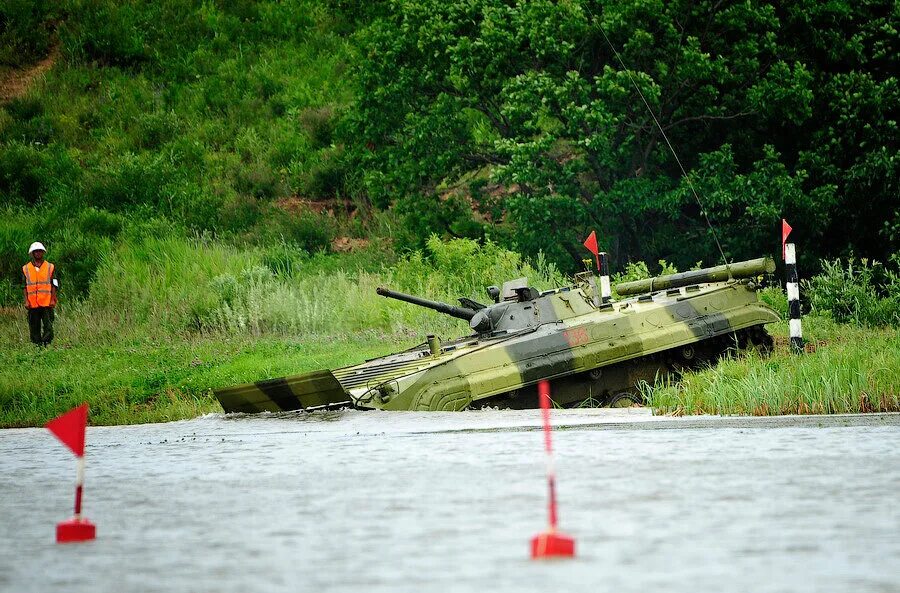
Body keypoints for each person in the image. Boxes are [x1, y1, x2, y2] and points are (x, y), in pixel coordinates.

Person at [23, 241, 57, 346]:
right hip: (32, 304)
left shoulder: (50, 267)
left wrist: (53, 299)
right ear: (32, 253)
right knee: (34, 326)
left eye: (40, 251)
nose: (38, 253)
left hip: (47, 302)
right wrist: (26, 301)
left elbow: (54, 284)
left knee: (48, 325)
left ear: (43, 252)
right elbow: (24, 286)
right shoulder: (26, 268)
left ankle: (46, 344)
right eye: (36, 251)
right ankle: (37, 346)